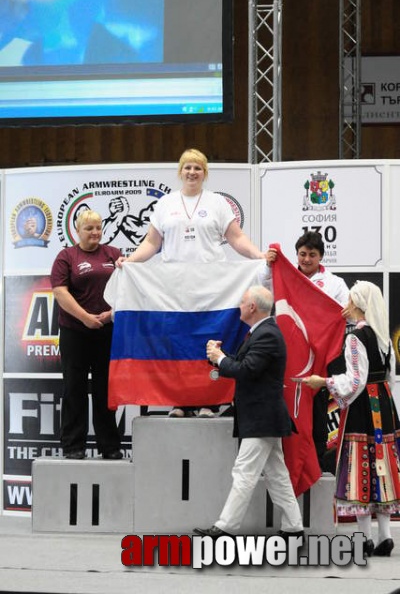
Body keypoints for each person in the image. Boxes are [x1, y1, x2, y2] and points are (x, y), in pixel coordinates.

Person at [117, 148, 267, 418]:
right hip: (173, 287)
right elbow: (152, 243)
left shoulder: (217, 203)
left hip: (212, 285)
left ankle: (209, 401)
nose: (192, 172)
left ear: (205, 172)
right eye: (187, 167)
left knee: (210, 340)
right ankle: (181, 402)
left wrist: (259, 256)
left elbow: (236, 238)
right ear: (180, 171)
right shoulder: (166, 203)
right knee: (177, 342)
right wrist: (130, 262)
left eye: (197, 167)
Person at [193, 285, 304, 541]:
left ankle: (225, 528)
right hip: (263, 417)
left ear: (253, 307)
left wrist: (220, 358)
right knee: (277, 475)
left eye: (243, 302)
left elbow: (246, 370)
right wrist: (218, 357)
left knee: (244, 472)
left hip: (262, 417)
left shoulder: (266, 334)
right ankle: (294, 528)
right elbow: (246, 366)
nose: (240, 305)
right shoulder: (262, 332)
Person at [304, 281, 400, 557]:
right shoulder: (382, 337)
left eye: (349, 301)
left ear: (358, 304)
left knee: (360, 465)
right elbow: (389, 378)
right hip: (382, 403)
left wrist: (324, 381)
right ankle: (385, 536)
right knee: (380, 462)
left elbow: (355, 379)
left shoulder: (356, 337)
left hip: (362, 409)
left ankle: (364, 538)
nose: (345, 306)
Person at [266, 231, 350, 473]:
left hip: (322, 355)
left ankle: (317, 457)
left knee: (319, 403)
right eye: (302, 254)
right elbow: (262, 289)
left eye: (312, 255)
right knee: (289, 401)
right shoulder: (284, 277)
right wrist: (267, 265)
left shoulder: (335, 283)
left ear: (321, 257)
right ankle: (287, 458)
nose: (306, 259)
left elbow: (347, 309)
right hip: (291, 355)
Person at [50, 210, 122, 460]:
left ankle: (110, 446)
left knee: (105, 389)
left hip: (107, 330)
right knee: (74, 388)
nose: (95, 232)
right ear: (77, 231)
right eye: (89, 228)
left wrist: (110, 314)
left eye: (98, 227)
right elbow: (60, 292)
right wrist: (85, 318)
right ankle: (73, 446)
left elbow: (128, 288)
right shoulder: (66, 256)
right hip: (75, 332)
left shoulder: (113, 254)